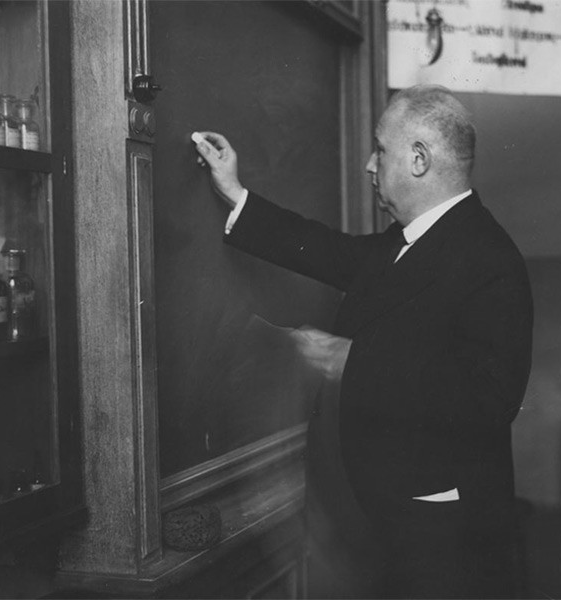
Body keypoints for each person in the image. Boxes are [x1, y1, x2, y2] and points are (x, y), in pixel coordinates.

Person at [193, 85, 533, 599]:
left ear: (419, 160)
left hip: (444, 539)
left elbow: (489, 400)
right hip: (384, 519)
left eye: (381, 149)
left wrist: (352, 360)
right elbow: (326, 250)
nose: (369, 165)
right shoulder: (409, 239)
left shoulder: (492, 260)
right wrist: (235, 193)